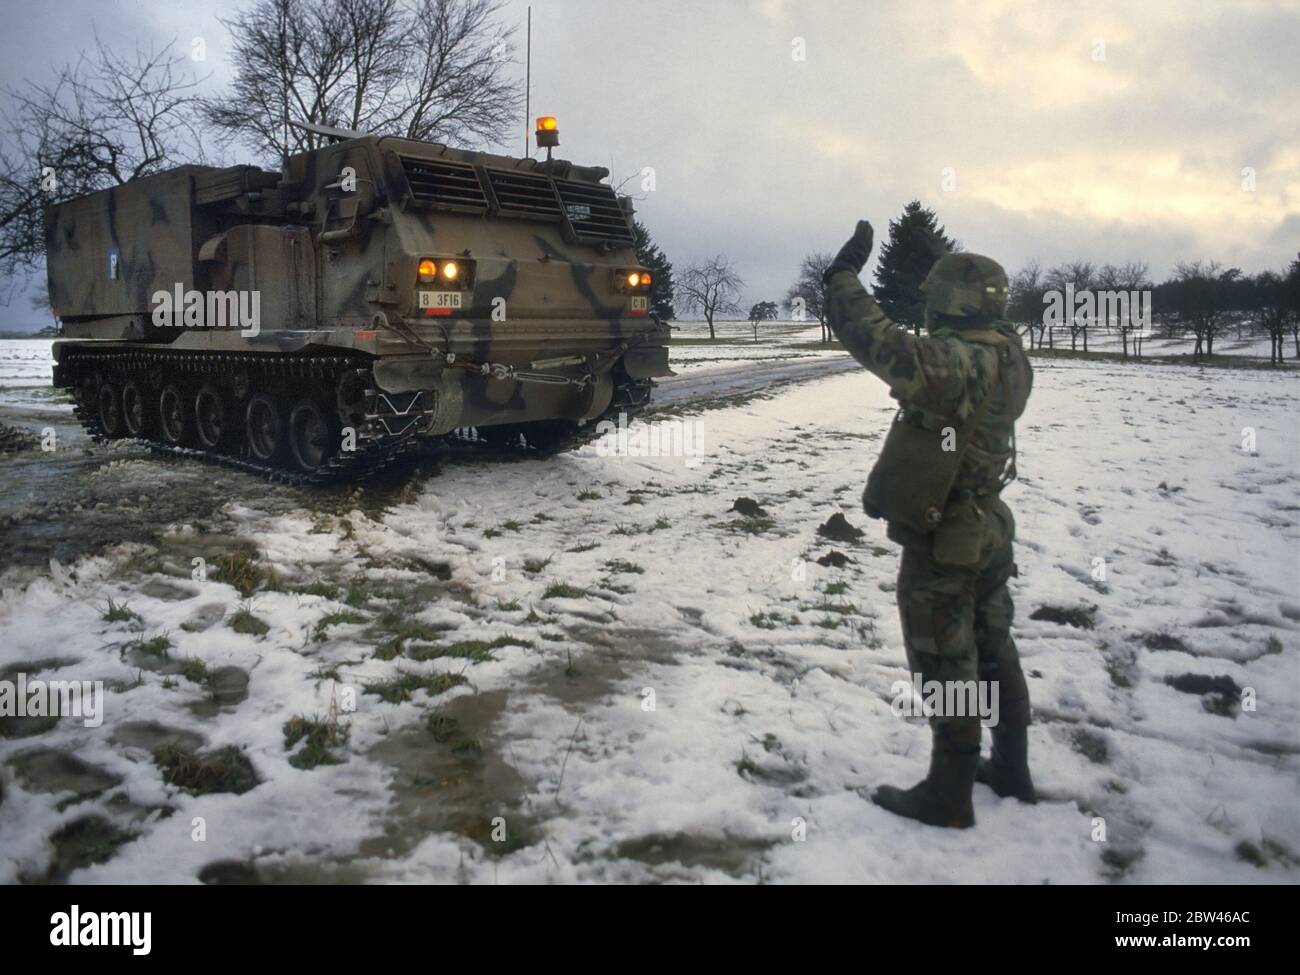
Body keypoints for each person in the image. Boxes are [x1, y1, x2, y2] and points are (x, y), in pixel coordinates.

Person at [822, 220, 1036, 828]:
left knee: (945, 657)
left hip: (949, 535)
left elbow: (878, 339)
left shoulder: (955, 361)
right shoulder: (1008, 354)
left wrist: (842, 280)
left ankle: (949, 792)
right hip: (989, 520)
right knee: (994, 644)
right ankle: (1013, 771)